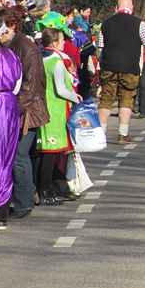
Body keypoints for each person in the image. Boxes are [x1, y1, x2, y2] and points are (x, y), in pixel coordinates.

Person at [0, 8, 50, 219]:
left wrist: (13, 108)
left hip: (28, 110)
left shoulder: (26, 48)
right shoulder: (9, 46)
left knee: (19, 156)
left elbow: (32, 84)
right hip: (15, 109)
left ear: (12, 26)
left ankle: (23, 202)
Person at [98, 0, 145, 143]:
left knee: (106, 100)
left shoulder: (106, 24)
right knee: (126, 99)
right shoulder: (139, 24)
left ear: (116, 8)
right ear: (132, 8)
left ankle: (101, 134)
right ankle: (123, 134)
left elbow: (100, 46)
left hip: (109, 67)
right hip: (130, 67)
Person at [37, 28, 82, 206]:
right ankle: (46, 190)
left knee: (43, 153)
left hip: (43, 108)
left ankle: (45, 187)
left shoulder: (41, 58)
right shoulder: (56, 61)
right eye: (62, 40)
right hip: (55, 110)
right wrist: (75, 97)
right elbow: (61, 88)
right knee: (51, 154)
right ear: (54, 43)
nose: (64, 43)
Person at [0, 15, 23, 230]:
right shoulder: (12, 56)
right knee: (5, 157)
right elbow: (17, 84)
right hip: (8, 106)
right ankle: (1, 212)